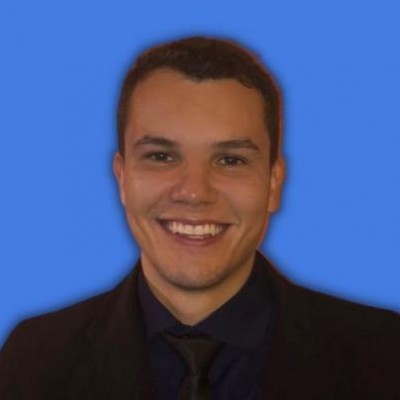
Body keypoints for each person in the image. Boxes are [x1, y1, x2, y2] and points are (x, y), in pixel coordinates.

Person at [0, 36, 399, 399]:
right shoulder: (33, 359)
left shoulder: (386, 355)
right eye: (161, 156)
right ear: (122, 178)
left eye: (230, 160)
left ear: (274, 183)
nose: (194, 192)